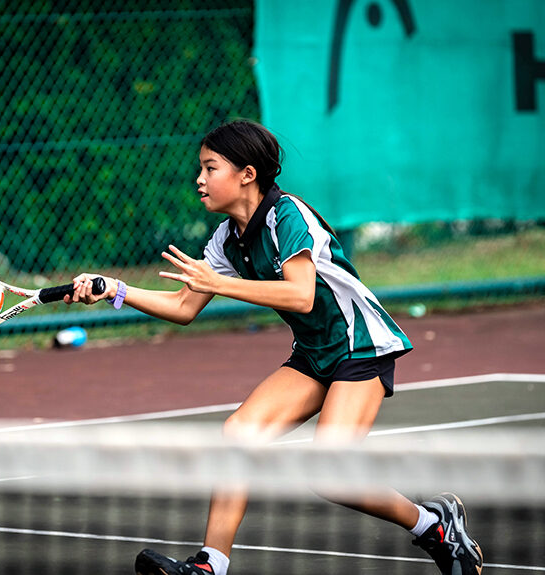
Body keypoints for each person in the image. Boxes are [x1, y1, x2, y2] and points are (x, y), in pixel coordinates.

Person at [67, 120, 483, 575]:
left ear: (247, 174)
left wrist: (221, 286)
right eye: (200, 169)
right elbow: (185, 306)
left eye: (210, 168)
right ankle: (212, 566)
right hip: (314, 352)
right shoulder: (228, 238)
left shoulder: (288, 216)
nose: (200, 180)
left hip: (360, 348)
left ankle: (433, 526)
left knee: (330, 474)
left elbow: (301, 294)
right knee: (238, 437)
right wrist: (115, 290)